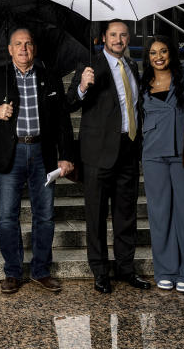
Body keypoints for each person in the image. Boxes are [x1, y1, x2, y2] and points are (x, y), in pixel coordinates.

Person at [0, 28, 75, 295]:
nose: (23, 48)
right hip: (12, 153)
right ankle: (13, 272)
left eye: (28, 44)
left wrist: (66, 155)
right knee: (8, 216)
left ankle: (41, 271)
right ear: (10, 49)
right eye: (18, 44)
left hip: (43, 153)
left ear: (34, 48)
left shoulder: (50, 77)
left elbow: (64, 121)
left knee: (45, 216)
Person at [65, 19, 151, 294]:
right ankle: (100, 271)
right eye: (113, 34)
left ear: (128, 38)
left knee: (126, 215)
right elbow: (69, 103)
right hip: (97, 154)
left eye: (123, 35)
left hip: (128, 150)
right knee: (97, 215)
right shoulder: (89, 65)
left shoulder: (132, 65)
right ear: (104, 37)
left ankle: (126, 269)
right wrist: (82, 86)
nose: (118, 39)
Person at [139, 34, 184, 293]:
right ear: (148, 57)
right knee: (160, 214)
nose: (159, 57)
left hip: (183, 154)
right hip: (153, 155)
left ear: (171, 53)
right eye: (153, 53)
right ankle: (166, 270)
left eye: (164, 51)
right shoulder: (142, 83)